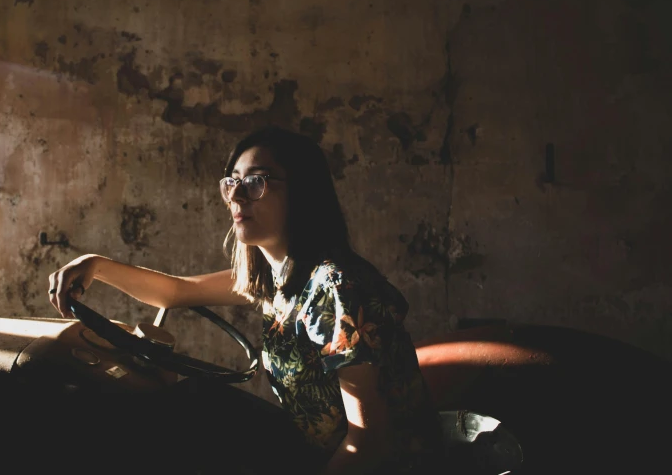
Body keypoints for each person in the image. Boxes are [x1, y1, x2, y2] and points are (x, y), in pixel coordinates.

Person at [48, 126, 444, 474]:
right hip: (316, 454)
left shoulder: (334, 287)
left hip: (380, 467)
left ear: (302, 193)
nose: (236, 195)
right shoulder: (280, 279)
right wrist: (95, 265)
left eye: (256, 181)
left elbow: (371, 442)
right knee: (192, 404)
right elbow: (176, 292)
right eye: (231, 181)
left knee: (197, 407)